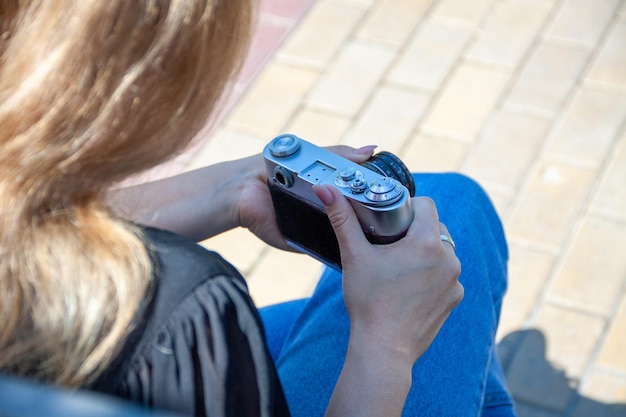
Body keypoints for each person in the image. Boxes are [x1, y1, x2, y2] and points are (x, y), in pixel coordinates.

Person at [0, 1, 516, 416]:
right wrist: (386, 349)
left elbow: (27, 231)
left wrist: (239, 188)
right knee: (454, 216)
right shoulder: (192, 308)